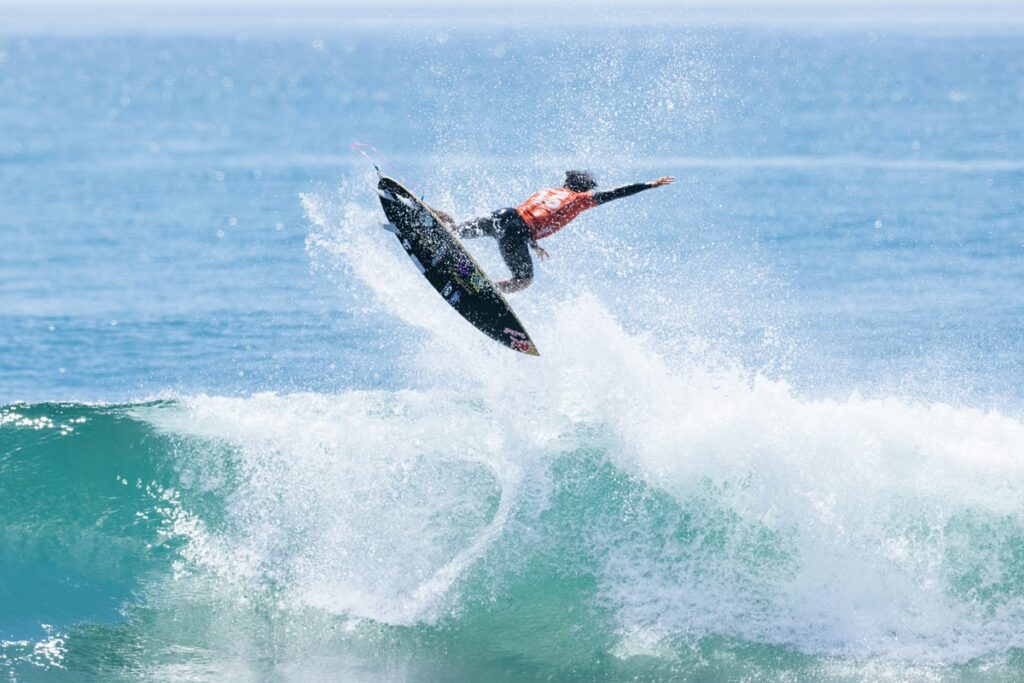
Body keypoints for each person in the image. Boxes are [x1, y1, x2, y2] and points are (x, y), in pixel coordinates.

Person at [442, 170, 675, 293]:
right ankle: (486, 290)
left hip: (503, 215)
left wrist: (533, 244)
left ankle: (428, 213)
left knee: (454, 229)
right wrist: (649, 185)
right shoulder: (579, 199)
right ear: (583, 189)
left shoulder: (548, 191)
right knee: (524, 280)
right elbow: (615, 193)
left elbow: (529, 216)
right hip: (518, 232)